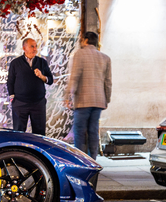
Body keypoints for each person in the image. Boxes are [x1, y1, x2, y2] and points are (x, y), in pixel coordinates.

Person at [65, 31, 112, 159]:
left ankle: (81, 159)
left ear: (85, 40)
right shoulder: (105, 58)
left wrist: (68, 96)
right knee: (93, 131)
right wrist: (107, 99)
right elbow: (108, 82)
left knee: (79, 131)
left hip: (83, 100)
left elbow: (74, 77)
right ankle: (93, 159)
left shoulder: (79, 54)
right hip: (98, 101)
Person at [7, 38, 54, 135]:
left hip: (38, 104)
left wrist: (41, 76)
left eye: (36, 46)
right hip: (20, 104)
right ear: (24, 48)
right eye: (32, 46)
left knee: (39, 134)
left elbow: (50, 80)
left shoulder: (42, 62)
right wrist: (12, 98)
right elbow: (10, 81)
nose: (35, 49)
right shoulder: (15, 63)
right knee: (19, 133)